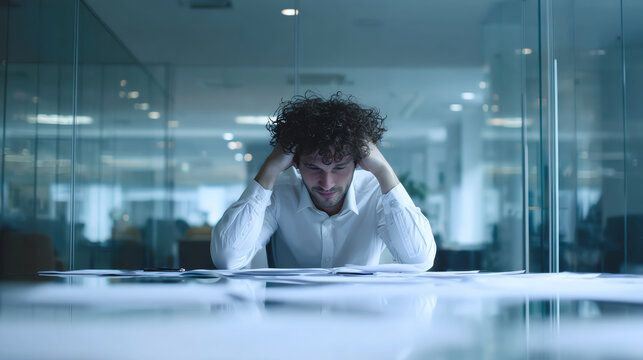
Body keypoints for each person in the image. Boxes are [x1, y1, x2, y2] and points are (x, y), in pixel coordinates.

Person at [211, 92, 436, 270]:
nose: (327, 183)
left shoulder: (376, 191)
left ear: (358, 163)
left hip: (363, 321)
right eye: (313, 167)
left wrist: (384, 170)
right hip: (290, 322)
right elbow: (227, 258)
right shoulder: (280, 190)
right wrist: (269, 168)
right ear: (295, 164)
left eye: (339, 168)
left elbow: (419, 260)